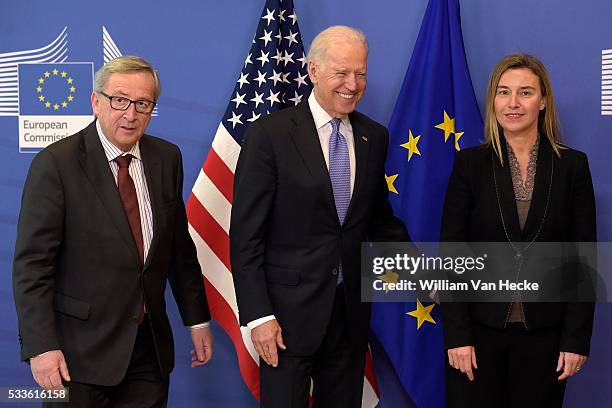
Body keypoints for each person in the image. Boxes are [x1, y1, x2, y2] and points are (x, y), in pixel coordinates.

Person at [13, 55, 213, 407]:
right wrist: (41, 345)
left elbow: (179, 252)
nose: (130, 113)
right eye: (119, 100)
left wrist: (196, 320)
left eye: (142, 103)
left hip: (148, 352)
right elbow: (33, 267)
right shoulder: (55, 164)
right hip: (78, 355)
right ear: (96, 101)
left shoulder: (167, 158)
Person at [230, 26, 410, 407]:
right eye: (341, 72)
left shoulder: (373, 136)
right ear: (313, 71)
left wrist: (423, 273)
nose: (353, 84)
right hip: (285, 320)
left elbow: (380, 220)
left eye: (360, 73)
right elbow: (246, 237)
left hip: (348, 318)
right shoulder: (270, 135)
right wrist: (258, 316)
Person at [440, 53, 596, 407]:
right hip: (477, 336)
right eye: (503, 92)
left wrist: (575, 339)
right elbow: (452, 254)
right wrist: (457, 336)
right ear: (493, 100)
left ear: (543, 101)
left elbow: (583, 260)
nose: (513, 103)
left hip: (547, 336)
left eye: (525, 93)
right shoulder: (469, 164)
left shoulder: (573, 166)